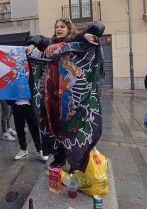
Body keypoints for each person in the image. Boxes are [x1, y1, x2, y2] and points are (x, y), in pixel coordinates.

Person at [26, 17, 104, 172]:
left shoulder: (76, 41)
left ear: (69, 28)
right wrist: (32, 44)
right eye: (57, 27)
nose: (59, 29)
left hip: (72, 98)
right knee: (54, 127)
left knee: (73, 128)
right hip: (52, 98)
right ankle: (59, 158)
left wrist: (88, 34)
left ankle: (75, 161)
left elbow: (97, 27)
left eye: (62, 26)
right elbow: (39, 38)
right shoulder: (50, 44)